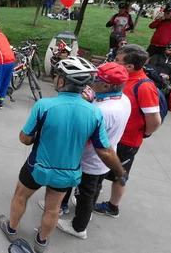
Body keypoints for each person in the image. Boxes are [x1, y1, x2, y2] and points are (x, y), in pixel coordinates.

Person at [0, 56, 126, 253]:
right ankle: (41, 241)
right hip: (68, 171)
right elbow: (105, 151)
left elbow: (25, 138)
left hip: (37, 166)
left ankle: (12, 229)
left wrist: (34, 137)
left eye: (58, 76)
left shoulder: (44, 106)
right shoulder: (94, 113)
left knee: (20, 196)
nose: (56, 79)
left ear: (63, 81)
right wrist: (120, 172)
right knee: (53, 208)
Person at [53, 62, 132, 240]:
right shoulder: (122, 100)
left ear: (107, 86)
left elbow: (83, 137)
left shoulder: (100, 111)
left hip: (90, 160)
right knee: (95, 187)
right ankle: (75, 210)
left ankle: (78, 227)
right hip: (103, 161)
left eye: (97, 79)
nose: (92, 82)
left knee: (85, 195)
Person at [94, 44, 162, 218]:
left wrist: (144, 133)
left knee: (118, 174)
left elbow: (154, 120)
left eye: (118, 60)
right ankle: (91, 196)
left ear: (130, 66)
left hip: (126, 141)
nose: (114, 62)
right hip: (112, 136)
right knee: (101, 171)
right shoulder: (123, 79)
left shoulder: (144, 87)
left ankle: (112, 206)